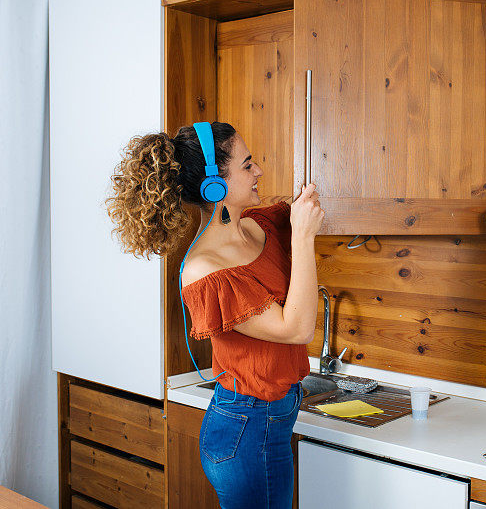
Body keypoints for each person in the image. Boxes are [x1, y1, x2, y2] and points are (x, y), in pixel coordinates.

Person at [105, 122, 324, 508]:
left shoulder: (261, 226)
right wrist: (304, 238)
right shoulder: (206, 270)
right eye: (247, 165)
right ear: (214, 186)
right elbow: (297, 327)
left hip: (274, 418)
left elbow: (304, 217)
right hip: (244, 427)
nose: (258, 172)